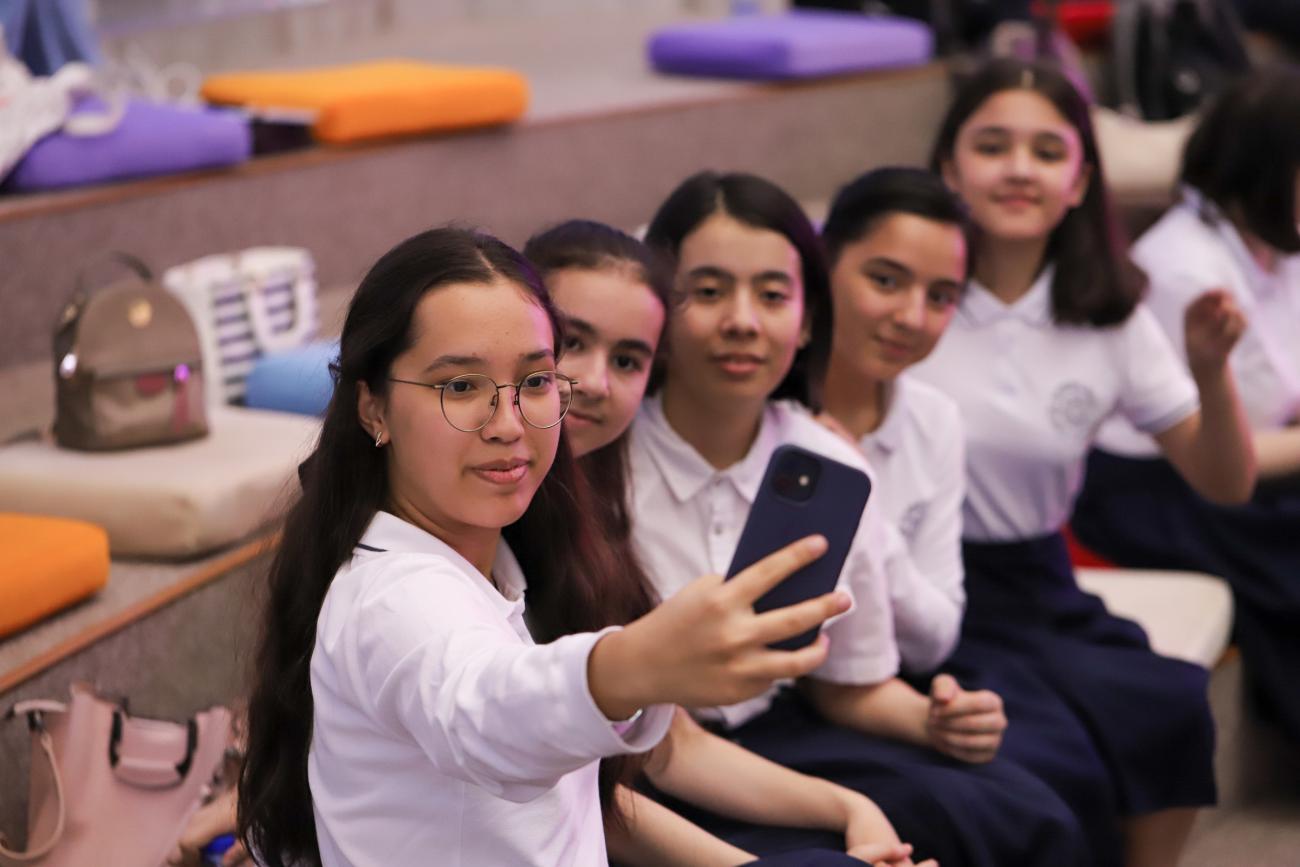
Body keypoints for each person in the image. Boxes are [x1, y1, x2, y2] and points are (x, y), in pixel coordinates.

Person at [236, 227, 852, 867]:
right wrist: (634, 664)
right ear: (374, 409)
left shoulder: (515, 555)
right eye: (460, 387)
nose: (509, 426)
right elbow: (486, 709)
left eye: (534, 382)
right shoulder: (393, 597)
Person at [628, 171, 1088, 867]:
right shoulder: (607, 457)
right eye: (709, 290)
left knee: (1021, 810)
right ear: (657, 308)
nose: (743, 321)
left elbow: (850, 686)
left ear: (809, 319)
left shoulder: (824, 461)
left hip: (782, 730)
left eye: (773, 295)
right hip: (654, 766)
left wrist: (937, 720)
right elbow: (658, 745)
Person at [912, 58, 1257, 867]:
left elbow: (1225, 481)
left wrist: (1210, 369)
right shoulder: (906, 298)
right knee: (1041, 751)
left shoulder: (1110, 314)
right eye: (992, 145)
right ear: (947, 168)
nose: (1019, 168)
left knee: (1171, 704)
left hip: (1038, 587)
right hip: (920, 589)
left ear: (1079, 182)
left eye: (1046, 150)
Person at [527, 218, 929, 867]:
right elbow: (576, 796)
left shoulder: (580, 529)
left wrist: (854, 808)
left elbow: (668, 747)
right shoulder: (461, 531)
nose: (596, 382)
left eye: (627, 359)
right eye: (570, 342)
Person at [1074, 66, 1300, 746]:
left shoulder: (1279, 245)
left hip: (1257, 461)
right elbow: (1238, 452)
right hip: (1161, 482)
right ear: (1265, 174)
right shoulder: (1183, 269)